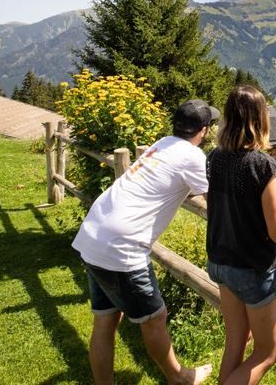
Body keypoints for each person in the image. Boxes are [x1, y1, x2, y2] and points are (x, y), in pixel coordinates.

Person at [72, 99, 219, 385]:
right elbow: (215, 203)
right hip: (121, 249)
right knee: (155, 317)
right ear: (203, 131)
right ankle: (179, 377)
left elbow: (168, 182)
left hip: (94, 234)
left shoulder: (163, 143)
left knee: (105, 320)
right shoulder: (193, 156)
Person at [205, 86, 276, 385]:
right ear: (260, 119)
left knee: (235, 344)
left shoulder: (214, 158)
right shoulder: (263, 166)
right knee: (269, 351)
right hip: (252, 268)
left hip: (220, 261)